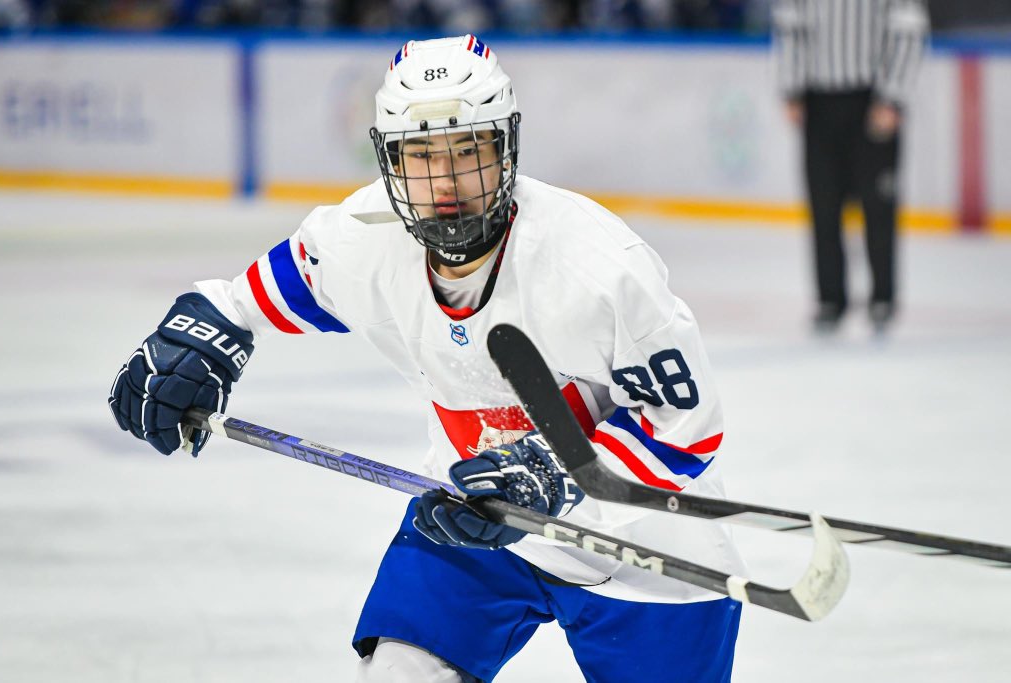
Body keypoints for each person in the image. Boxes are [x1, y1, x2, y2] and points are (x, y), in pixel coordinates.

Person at [108, 35, 745, 682]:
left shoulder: (598, 269)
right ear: (388, 161)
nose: (445, 182)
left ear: (506, 147)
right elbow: (251, 300)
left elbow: (685, 428)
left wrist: (556, 474)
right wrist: (199, 334)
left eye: (468, 150)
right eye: (420, 155)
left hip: (643, 548)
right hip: (473, 519)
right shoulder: (363, 239)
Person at [772, 0, 929, 331]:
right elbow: (789, 27)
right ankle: (831, 298)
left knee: (878, 206)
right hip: (818, 101)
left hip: (871, 100)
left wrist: (893, 97)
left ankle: (882, 297)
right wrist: (791, 90)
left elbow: (908, 31)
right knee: (824, 205)